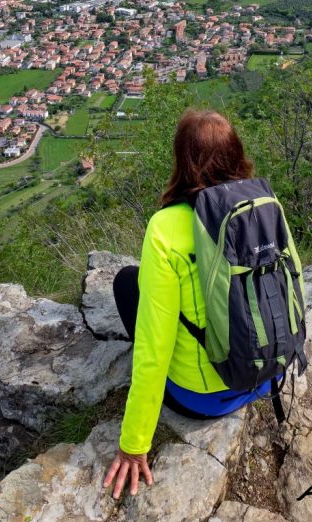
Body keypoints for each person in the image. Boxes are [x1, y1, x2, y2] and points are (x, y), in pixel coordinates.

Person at [103, 108, 282, 501]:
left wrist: (134, 443)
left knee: (126, 283)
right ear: (237, 154)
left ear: (182, 161)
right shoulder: (264, 205)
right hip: (269, 376)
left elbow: (153, 349)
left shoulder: (165, 230)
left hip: (205, 399)